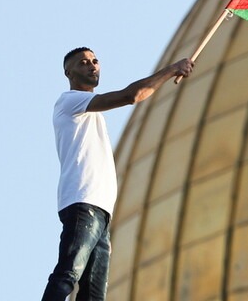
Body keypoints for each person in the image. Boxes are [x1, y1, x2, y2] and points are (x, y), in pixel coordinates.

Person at [42, 47, 194, 301]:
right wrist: (171, 70)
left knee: (93, 295)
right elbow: (131, 96)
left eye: (95, 60)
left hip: (101, 213)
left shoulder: (91, 115)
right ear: (69, 73)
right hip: (83, 203)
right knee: (69, 273)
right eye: (83, 63)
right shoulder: (69, 102)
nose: (92, 65)